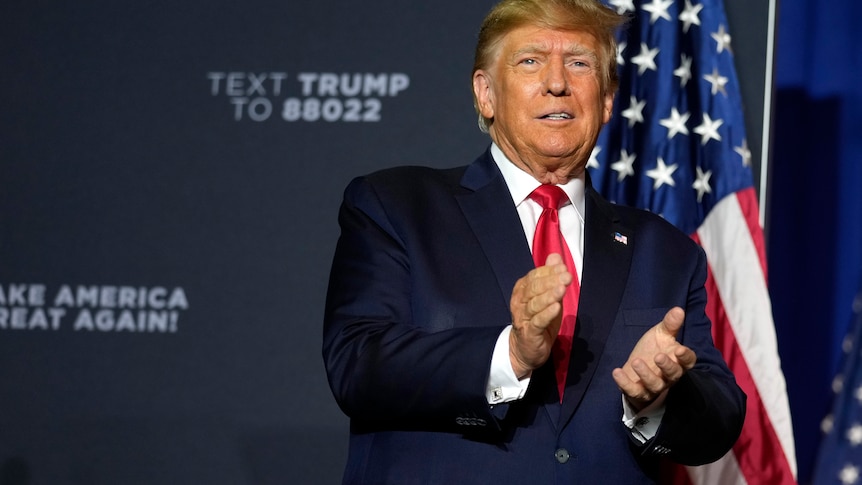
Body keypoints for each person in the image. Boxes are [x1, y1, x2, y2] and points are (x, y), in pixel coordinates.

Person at [322, 0, 746, 483]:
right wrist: (510, 354)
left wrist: (659, 397)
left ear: (607, 100)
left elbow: (721, 419)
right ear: (486, 94)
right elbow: (357, 365)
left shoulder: (666, 250)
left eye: (580, 63)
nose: (557, 82)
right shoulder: (396, 206)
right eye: (530, 60)